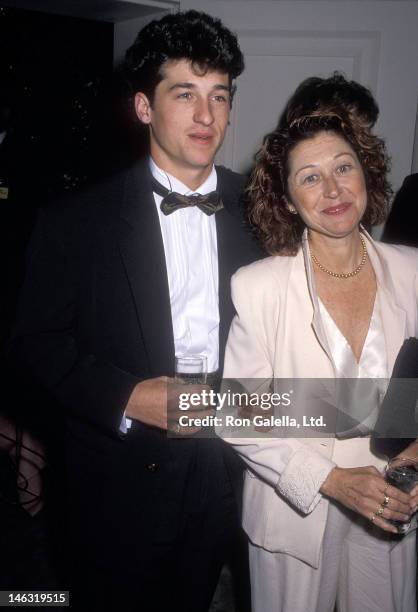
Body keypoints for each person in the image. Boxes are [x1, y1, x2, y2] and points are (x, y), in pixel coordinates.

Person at [11, 10, 260, 611]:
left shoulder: (263, 214)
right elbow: (35, 344)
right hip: (116, 480)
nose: (207, 116)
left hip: (229, 467)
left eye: (219, 96)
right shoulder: (75, 221)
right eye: (185, 94)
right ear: (145, 107)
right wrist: (126, 397)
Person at [220, 75, 418, 611]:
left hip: (395, 503)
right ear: (286, 200)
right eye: (310, 178)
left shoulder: (413, 270)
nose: (332, 191)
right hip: (298, 510)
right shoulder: (258, 286)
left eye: (343, 168)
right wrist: (329, 479)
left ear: (367, 176)